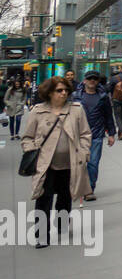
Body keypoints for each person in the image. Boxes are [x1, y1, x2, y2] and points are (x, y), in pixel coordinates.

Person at [21, 76, 92, 248]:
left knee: (65, 197)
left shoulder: (76, 109)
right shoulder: (38, 111)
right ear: (49, 93)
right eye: (59, 90)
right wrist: (32, 152)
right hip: (46, 164)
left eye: (66, 90)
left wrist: (83, 152)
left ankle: (62, 223)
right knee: (43, 199)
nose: (64, 93)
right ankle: (41, 236)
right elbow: (27, 137)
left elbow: (85, 134)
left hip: (70, 163)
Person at [71, 70, 116, 202]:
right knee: (78, 164)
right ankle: (78, 187)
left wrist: (111, 133)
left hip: (96, 134)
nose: (92, 81)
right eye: (89, 78)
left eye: (95, 79)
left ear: (97, 82)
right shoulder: (75, 96)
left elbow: (108, 115)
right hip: (78, 135)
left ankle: (89, 189)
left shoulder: (103, 97)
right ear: (84, 80)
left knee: (93, 163)